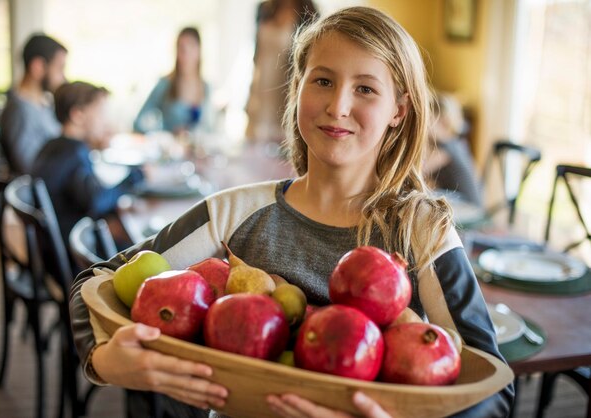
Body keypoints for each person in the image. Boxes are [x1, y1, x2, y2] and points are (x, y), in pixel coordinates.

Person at [70, 7, 513, 418]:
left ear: (399, 109)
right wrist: (106, 361)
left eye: (364, 88)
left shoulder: (420, 232)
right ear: (297, 86)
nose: (338, 105)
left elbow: (491, 386)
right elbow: (97, 282)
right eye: (322, 80)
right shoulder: (236, 211)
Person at [32, 81, 143, 259]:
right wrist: (135, 176)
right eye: (100, 113)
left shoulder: (54, 146)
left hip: (52, 246)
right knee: (143, 245)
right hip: (72, 254)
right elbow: (95, 201)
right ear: (78, 115)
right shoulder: (74, 153)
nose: (105, 121)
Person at [245, 0, 317, 144]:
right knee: (254, 139)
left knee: (280, 143)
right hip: (260, 84)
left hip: (285, 88)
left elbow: (308, 60)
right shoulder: (264, 9)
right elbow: (257, 53)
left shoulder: (308, 13)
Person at [0, 33, 67, 174]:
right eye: (59, 68)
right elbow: (28, 166)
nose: (64, 78)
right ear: (38, 67)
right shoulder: (19, 110)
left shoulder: (43, 103)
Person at [133, 27, 213, 135]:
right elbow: (139, 123)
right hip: (169, 150)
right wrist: (164, 132)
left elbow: (210, 129)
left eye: (191, 47)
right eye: (182, 48)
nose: (186, 54)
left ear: (199, 50)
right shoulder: (165, 84)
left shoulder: (206, 88)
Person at [423, 92, 483, 208]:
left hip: (468, 207)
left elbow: (422, 170)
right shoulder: (456, 144)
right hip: (463, 202)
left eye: (429, 118)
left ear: (443, 122)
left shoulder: (448, 148)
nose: (425, 125)